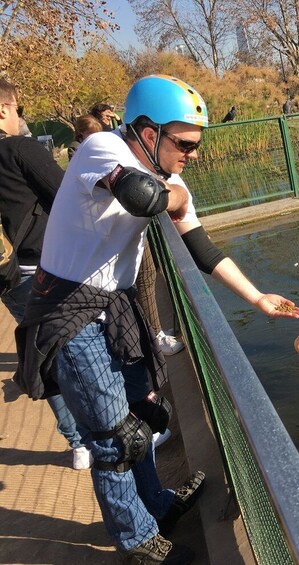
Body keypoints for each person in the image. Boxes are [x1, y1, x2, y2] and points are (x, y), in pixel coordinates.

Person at [13, 74, 299, 563]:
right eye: (184, 143)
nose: (192, 154)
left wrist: (257, 298)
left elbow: (201, 247)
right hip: (67, 308)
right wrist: (177, 199)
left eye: (196, 145)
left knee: (143, 418)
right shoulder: (103, 147)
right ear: (148, 132)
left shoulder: (172, 177)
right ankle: (138, 542)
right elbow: (139, 195)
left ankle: (158, 506)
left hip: (114, 304)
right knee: (112, 438)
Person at [0, 78, 92, 470]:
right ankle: (114, 431)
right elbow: (68, 198)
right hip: (45, 269)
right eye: (18, 108)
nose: (21, 117)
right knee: (81, 351)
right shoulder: (20, 150)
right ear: (5, 108)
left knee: (45, 355)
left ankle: (78, 443)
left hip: (7, 276)